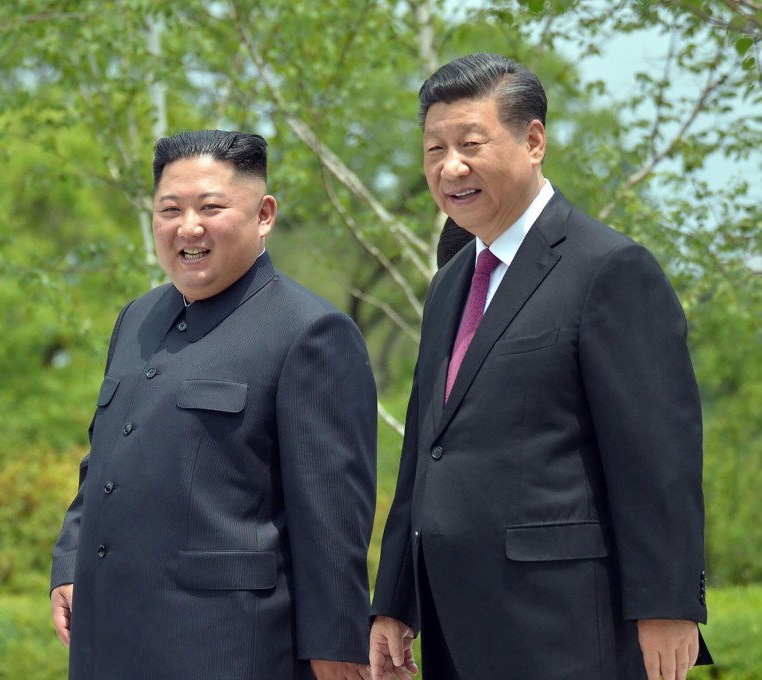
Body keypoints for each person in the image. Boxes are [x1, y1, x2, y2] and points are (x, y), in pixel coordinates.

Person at [369, 53, 711, 680]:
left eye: (471, 144)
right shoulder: (449, 284)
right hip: (455, 623)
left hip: (567, 628)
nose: (450, 167)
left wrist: (667, 604)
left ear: (533, 141)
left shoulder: (608, 269)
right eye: (433, 148)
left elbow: (657, 456)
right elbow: (425, 449)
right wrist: (393, 600)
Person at [50, 129, 377, 680]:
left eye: (211, 207)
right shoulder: (136, 318)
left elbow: (332, 518)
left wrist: (336, 647)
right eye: (170, 209)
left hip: (229, 649)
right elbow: (103, 462)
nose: (189, 227)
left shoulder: (310, 331)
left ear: (264, 214)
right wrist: (69, 560)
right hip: (108, 643)